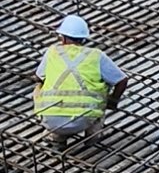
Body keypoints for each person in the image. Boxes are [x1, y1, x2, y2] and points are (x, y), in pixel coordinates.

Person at [35, 13, 127, 141]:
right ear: (84, 39)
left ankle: (56, 137)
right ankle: (92, 137)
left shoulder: (52, 52)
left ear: (62, 38)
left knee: (39, 86)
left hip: (50, 120)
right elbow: (122, 81)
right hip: (84, 120)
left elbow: (39, 77)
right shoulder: (96, 55)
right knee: (102, 90)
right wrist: (113, 101)